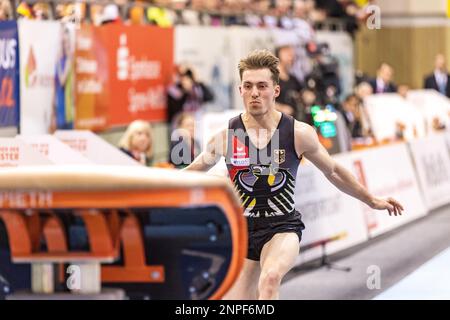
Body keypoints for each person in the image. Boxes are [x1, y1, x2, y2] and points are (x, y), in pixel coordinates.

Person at [183, 50, 403, 300]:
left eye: (262, 86)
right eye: (248, 86)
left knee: (270, 279)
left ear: (276, 90)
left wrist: (371, 199)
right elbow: (190, 175)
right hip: (242, 229)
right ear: (240, 90)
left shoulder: (298, 133)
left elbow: (333, 171)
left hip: (282, 226)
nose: (255, 92)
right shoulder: (226, 137)